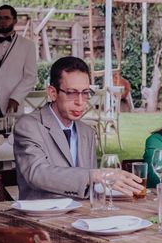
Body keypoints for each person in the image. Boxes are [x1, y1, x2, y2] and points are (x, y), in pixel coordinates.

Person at [14, 56, 142, 200]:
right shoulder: (28, 126)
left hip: (82, 216)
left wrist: (118, 187)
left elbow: (92, 187)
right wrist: (95, 175)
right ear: (52, 93)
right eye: (71, 93)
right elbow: (37, 174)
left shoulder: (86, 132)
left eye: (85, 93)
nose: (80, 102)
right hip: (40, 217)